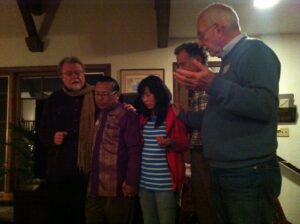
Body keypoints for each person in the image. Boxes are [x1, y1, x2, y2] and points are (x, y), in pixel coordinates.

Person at [174, 3, 281, 224]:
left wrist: (213, 83)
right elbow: (220, 116)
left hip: (246, 173)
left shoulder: (254, 50)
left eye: (202, 35)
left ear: (219, 28)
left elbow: (265, 106)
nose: (201, 44)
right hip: (229, 170)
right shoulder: (229, 60)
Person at [38, 56, 95, 224]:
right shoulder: (54, 99)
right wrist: (52, 137)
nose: (74, 77)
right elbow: (42, 132)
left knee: (83, 215)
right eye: (69, 73)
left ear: (84, 74)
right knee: (58, 215)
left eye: (77, 72)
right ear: (62, 77)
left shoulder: (96, 96)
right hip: (59, 169)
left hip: (88, 168)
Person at [85, 76, 142, 224]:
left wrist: (131, 181)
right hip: (94, 186)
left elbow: (134, 150)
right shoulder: (99, 113)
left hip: (117, 187)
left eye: (104, 94)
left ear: (116, 95)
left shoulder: (127, 114)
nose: (100, 98)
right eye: (97, 93)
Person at [136, 75, 189, 224]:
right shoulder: (143, 117)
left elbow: (184, 144)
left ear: (158, 93)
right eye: (142, 96)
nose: (145, 99)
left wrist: (170, 142)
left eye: (148, 95)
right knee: (148, 220)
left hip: (165, 182)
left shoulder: (173, 113)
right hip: (144, 181)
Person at [174, 42, 216, 224]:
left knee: (209, 203)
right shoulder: (198, 88)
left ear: (197, 60)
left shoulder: (210, 86)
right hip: (201, 152)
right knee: (203, 202)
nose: (180, 69)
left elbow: (207, 121)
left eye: (182, 64)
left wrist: (182, 115)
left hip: (209, 153)